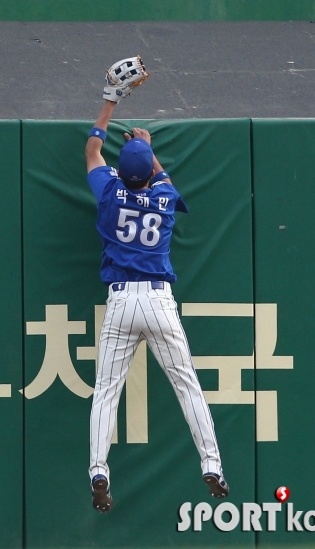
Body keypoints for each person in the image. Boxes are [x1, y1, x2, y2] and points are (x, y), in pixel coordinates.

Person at [85, 57, 228, 513]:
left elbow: (92, 153)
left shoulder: (108, 190)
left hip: (122, 303)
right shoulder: (163, 196)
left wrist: (109, 102)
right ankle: (212, 465)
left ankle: (99, 470)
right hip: (160, 304)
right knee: (187, 386)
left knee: (107, 390)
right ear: (149, 171)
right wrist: (146, 146)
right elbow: (160, 176)